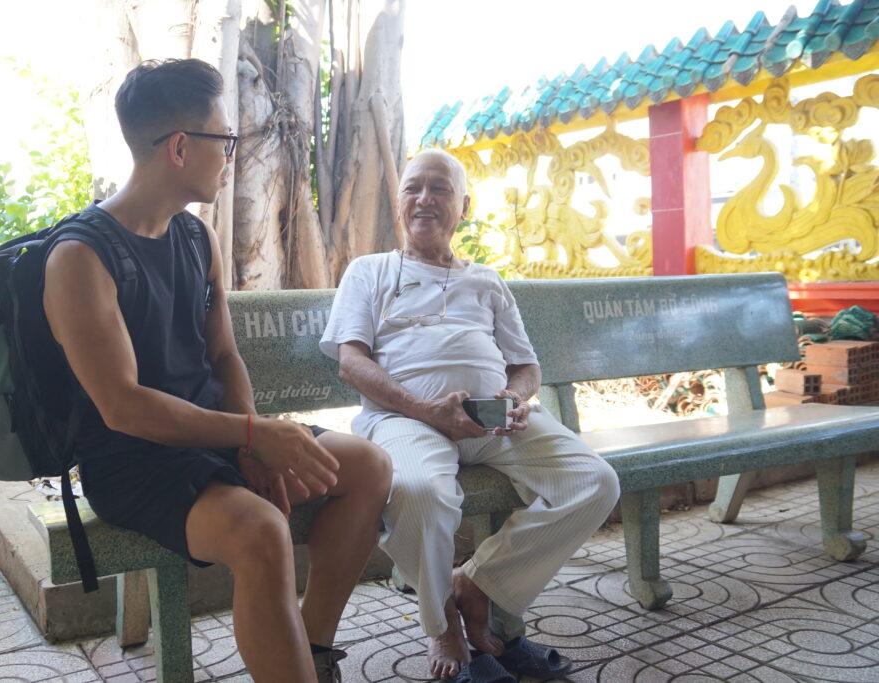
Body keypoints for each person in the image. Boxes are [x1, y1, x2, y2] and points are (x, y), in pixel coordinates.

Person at [43, 58, 391, 683]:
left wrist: (250, 437)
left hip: (217, 436)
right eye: (225, 139)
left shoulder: (195, 238)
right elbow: (123, 406)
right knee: (261, 530)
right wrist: (250, 436)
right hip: (132, 461)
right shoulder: (80, 257)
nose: (232, 153)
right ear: (180, 146)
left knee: (367, 465)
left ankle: (306, 652)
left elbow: (224, 355)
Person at [319, 149, 620, 680]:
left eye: (440, 189)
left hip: (493, 421)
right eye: (413, 188)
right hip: (403, 420)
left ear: (464, 205)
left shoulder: (485, 279)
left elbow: (526, 365)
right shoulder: (368, 272)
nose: (424, 200)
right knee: (420, 493)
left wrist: (516, 398)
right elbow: (351, 362)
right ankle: (442, 627)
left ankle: (477, 586)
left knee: (594, 482)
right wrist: (425, 409)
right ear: (400, 200)